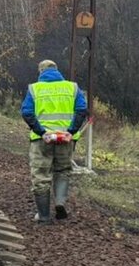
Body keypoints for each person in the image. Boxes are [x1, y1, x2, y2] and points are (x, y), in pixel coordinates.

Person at [20, 59, 88, 224]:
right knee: (63, 171)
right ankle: (59, 203)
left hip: (42, 140)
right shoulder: (72, 87)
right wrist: (71, 132)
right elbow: (82, 110)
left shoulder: (34, 89)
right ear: (57, 71)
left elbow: (27, 112)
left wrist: (41, 132)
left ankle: (43, 216)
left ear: (41, 72)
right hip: (65, 139)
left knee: (41, 176)